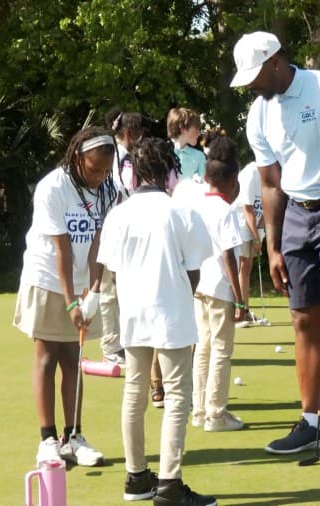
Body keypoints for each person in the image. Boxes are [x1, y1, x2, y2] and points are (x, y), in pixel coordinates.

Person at [231, 31, 320, 456]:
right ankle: (312, 422)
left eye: (256, 75)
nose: (252, 86)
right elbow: (271, 183)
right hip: (296, 215)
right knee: (303, 320)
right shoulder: (259, 114)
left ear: (276, 61)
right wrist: (273, 246)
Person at [98, 137, 217, 505]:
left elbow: (113, 273)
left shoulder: (119, 215)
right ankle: (168, 483)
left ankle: (136, 477)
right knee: (178, 395)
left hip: (134, 313)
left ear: (133, 173)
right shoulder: (181, 212)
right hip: (173, 313)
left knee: (134, 393)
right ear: (170, 172)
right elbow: (194, 271)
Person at [13, 126, 117, 467]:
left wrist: (95, 292)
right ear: (77, 158)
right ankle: (47, 439)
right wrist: (71, 301)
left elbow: (98, 244)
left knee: (74, 359)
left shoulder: (108, 190)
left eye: (106, 169)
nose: (101, 176)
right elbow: (62, 247)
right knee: (47, 357)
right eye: (94, 169)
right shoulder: (53, 187)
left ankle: (73, 437)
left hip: (82, 283)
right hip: (47, 279)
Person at [189, 136, 247, 433]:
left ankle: (199, 410)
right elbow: (229, 255)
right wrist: (240, 299)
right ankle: (216, 413)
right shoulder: (226, 211)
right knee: (221, 350)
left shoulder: (197, 204)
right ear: (231, 181)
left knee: (203, 348)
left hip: (199, 284)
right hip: (221, 288)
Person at [99, 109, 145, 365]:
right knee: (108, 291)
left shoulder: (123, 155)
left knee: (123, 290)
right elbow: (120, 193)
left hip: (124, 228)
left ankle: (121, 342)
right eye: (138, 134)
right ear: (129, 133)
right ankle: (110, 346)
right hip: (112, 229)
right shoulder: (116, 156)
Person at [234, 161, 266, 328]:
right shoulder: (251, 173)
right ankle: (239, 312)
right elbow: (248, 209)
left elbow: (266, 208)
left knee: (246, 270)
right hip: (241, 227)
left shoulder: (269, 173)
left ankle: (245, 310)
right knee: (241, 269)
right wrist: (256, 237)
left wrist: (260, 234)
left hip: (252, 228)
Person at [167, 107, 206, 183]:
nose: (199, 133)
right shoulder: (161, 152)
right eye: (196, 129)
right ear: (183, 129)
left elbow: (204, 185)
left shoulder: (199, 157)